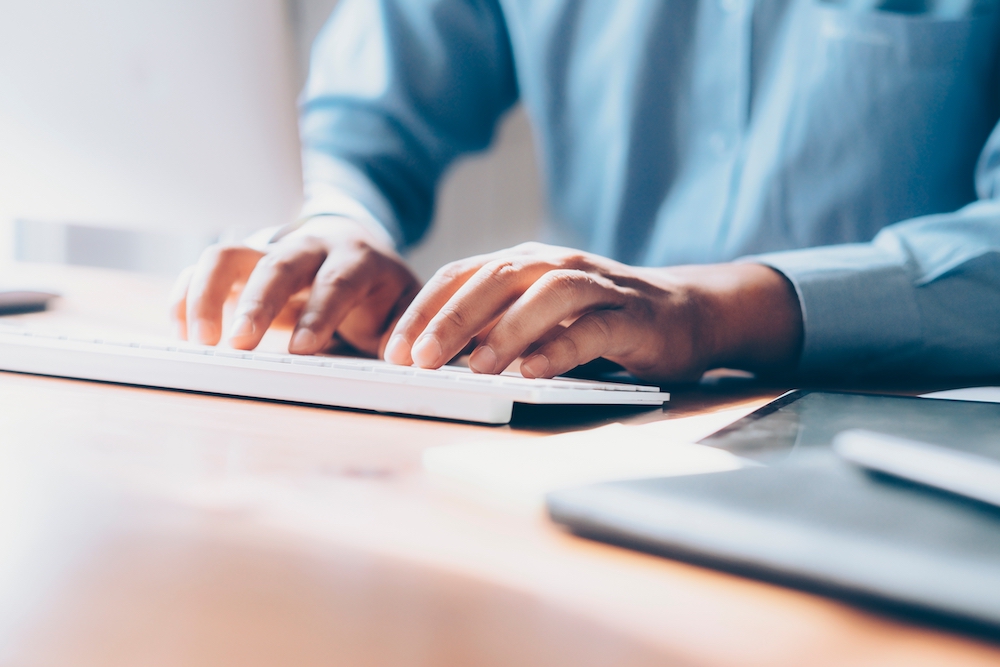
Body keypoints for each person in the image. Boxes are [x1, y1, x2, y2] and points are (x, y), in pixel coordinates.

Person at [171, 0, 1000, 383]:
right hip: (584, 412)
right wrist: (343, 220)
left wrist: (709, 311)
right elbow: (373, 104)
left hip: (914, 442)